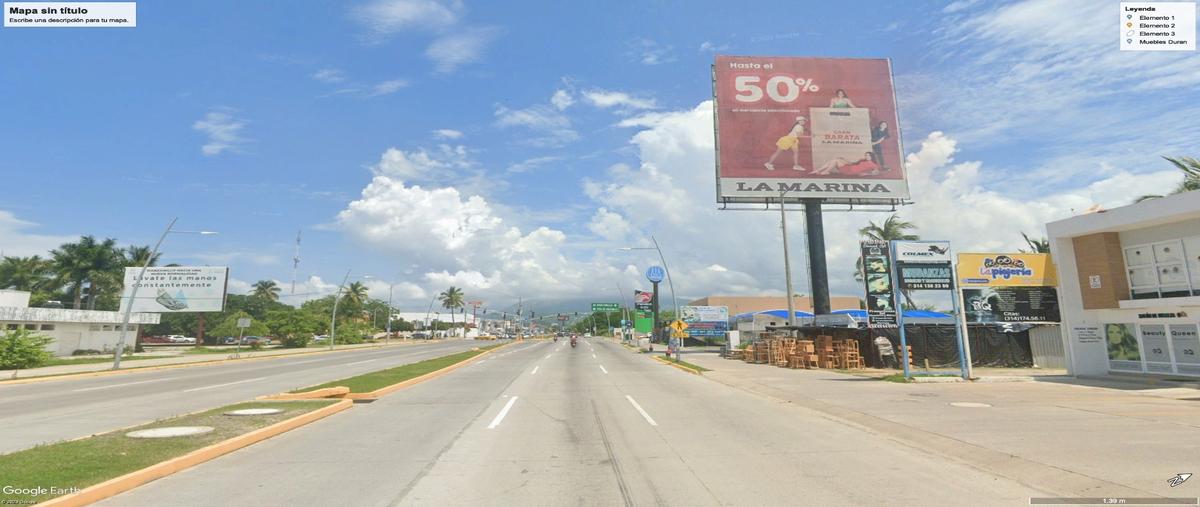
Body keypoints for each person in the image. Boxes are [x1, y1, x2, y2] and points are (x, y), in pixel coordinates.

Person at [812, 151, 880, 176]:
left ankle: (821, 171)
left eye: (868, 155)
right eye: (866, 155)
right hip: (849, 167)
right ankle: (822, 171)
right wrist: (844, 160)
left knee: (835, 160)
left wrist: (866, 174)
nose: (866, 156)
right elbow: (852, 163)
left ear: (872, 156)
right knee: (837, 159)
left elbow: (877, 172)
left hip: (850, 171)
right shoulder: (862, 160)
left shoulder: (873, 165)